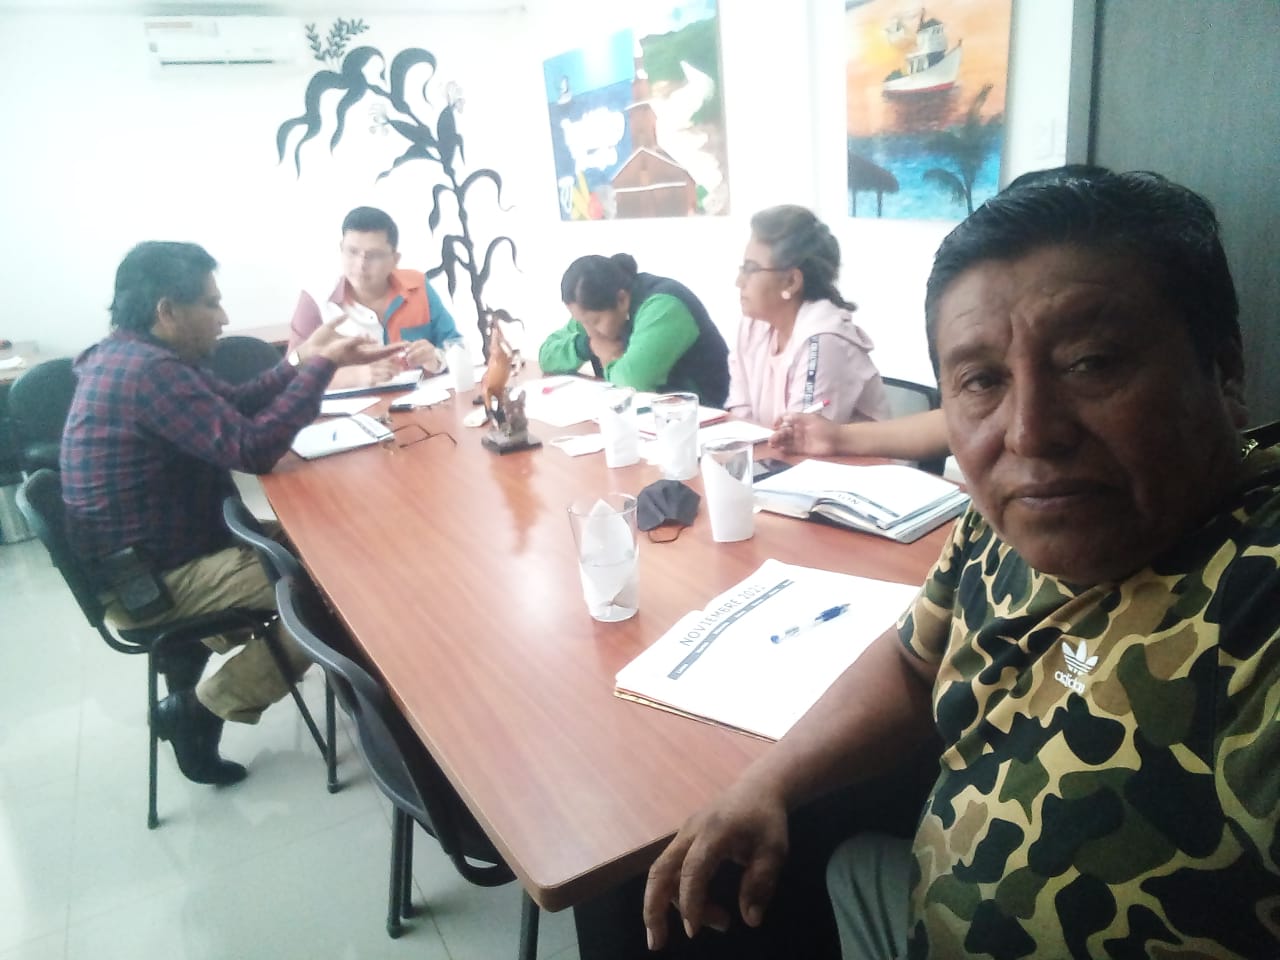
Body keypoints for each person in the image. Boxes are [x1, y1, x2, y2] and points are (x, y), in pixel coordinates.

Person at [643, 171, 1280, 958]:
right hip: (918, 901)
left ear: (1224, 370)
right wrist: (767, 781)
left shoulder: (1257, 601)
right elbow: (915, 658)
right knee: (831, 872)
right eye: (982, 381)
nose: (1029, 433)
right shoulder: (1009, 515)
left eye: (1090, 362)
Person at [61, 241, 401, 786]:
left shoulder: (130, 356)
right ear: (167, 310)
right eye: (211, 304)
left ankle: (206, 670)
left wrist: (302, 360)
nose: (223, 318)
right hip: (152, 582)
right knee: (337, 593)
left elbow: (235, 405)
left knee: (333, 545)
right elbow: (253, 447)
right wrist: (321, 368)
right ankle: (203, 708)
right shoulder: (149, 374)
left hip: (162, 553)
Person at [725, 205, 888, 427]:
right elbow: (740, 416)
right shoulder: (753, 326)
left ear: (791, 281)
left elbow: (799, 438)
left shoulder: (824, 341)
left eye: (751, 269)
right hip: (773, 450)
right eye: (743, 268)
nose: (739, 282)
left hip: (836, 452)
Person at [289, 206, 460, 389]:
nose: (360, 264)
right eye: (352, 252)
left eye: (374, 255)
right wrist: (352, 377)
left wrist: (436, 358)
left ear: (395, 259)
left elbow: (456, 346)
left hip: (420, 401)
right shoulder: (316, 298)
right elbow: (292, 376)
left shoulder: (417, 286)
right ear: (341, 249)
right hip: (350, 405)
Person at [538, 253, 730, 407]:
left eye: (595, 322)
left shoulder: (663, 306)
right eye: (581, 322)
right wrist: (586, 346)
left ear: (622, 300)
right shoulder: (593, 312)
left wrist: (608, 358)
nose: (590, 332)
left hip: (707, 416)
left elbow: (631, 383)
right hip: (655, 417)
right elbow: (546, 357)